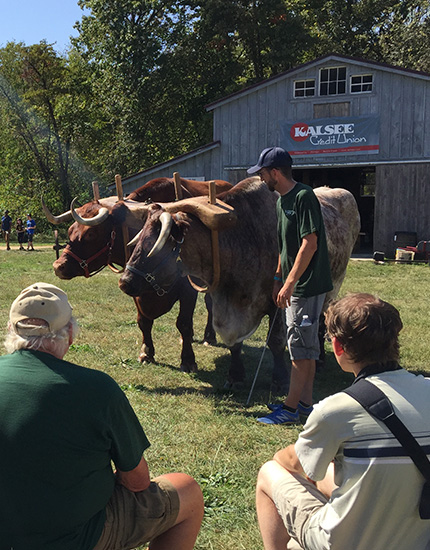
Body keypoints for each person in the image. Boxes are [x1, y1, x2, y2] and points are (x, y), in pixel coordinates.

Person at [0, 282, 204, 550]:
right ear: (70, 333)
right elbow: (138, 481)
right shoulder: (97, 389)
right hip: (82, 537)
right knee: (187, 490)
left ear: (10, 331)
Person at [255, 293, 430, 550]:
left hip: (344, 544)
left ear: (338, 347)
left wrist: (288, 459)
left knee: (269, 473)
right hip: (416, 541)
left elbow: (293, 463)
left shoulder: (336, 409)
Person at [247, 147, 333, 424]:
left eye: (262, 173)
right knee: (305, 348)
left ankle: (291, 409)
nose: (260, 179)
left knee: (299, 349)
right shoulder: (280, 201)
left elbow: (310, 243)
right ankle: (305, 405)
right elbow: (285, 247)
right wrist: (276, 279)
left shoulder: (303, 197)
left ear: (275, 172)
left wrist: (290, 283)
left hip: (306, 287)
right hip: (293, 285)